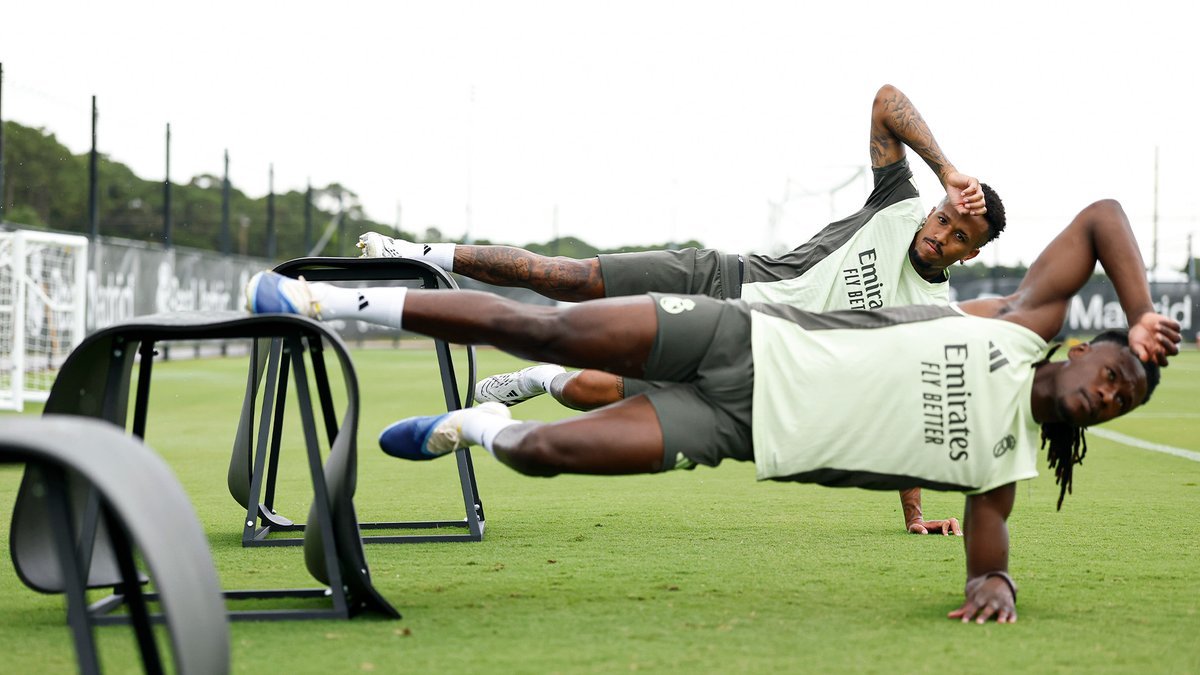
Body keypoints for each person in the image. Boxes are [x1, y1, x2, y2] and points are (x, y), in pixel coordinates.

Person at [247, 198, 1179, 623]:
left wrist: (996, 587)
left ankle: (474, 426)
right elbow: (1101, 216)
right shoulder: (1021, 322)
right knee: (550, 329)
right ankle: (327, 301)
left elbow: (989, 562)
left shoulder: (1002, 475)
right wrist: (1144, 313)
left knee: (542, 453)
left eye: (1120, 404)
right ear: (1090, 346)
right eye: (1117, 374)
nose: (1111, 394)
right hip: (736, 335)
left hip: (735, 431)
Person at [356, 84, 1007, 535]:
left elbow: (898, 405)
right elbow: (886, 101)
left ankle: (529, 381)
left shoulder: (929, 312)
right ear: (936, 205)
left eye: (958, 236)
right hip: (725, 281)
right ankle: (412, 251)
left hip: (756, 360)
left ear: (967, 254)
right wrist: (949, 168)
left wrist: (914, 514)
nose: (942, 231)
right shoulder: (898, 201)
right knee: (570, 279)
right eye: (945, 216)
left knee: (592, 390)